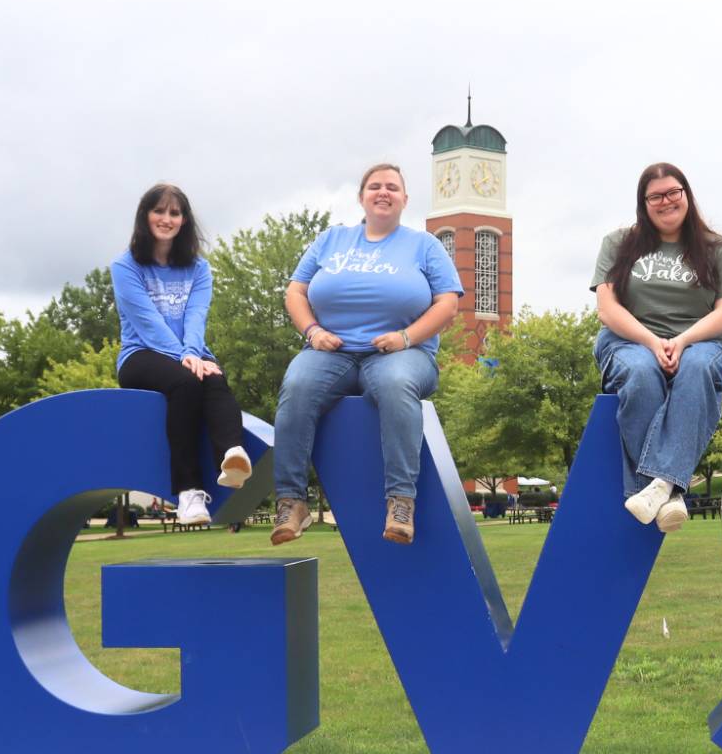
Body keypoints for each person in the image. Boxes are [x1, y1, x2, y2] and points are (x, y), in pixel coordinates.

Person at [268, 163, 462, 547]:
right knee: (297, 385)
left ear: (405, 199)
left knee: (395, 384)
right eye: (375, 186)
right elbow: (295, 292)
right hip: (330, 352)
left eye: (392, 187)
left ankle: (401, 502)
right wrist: (313, 331)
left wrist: (406, 337)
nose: (383, 192)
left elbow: (447, 304)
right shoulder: (330, 240)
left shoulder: (424, 245)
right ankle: (291, 502)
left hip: (402, 353)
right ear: (361, 197)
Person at [591, 162, 722, 533]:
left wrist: (682, 341)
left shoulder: (717, 248)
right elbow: (606, 308)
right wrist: (650, 341)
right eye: (655, 196)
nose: (666, 202)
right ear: (643, 204)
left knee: (697, 367)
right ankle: (671, 491)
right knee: (642, 371)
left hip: (701, 343)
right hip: (629, 342)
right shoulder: (617, 243)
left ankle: (655, 488)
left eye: (673, 193)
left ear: (687, 195)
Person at [110, 183, 252, 526]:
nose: (166, 218)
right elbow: (147, 322)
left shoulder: (198, 268)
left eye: (174, 213)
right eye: (159, 211)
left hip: (189, 353)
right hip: (140, 354)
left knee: (214, 377)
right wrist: (185, 357)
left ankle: (232, 456)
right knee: (188, 382)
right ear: (145, 216)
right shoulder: (125, 266)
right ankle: (188, 492)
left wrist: (192, 353)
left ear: (184, 221)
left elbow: (196, 315)